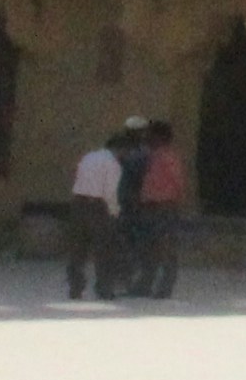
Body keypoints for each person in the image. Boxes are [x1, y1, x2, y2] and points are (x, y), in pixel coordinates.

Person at [63, 125, 129, 299]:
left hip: (78, 203)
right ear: (120, 150)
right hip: (98, 207)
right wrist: (115, 212)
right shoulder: (113, 164)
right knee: (104, 249)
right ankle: (104, 287)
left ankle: (75, 287)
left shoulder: (88, 157)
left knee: (78, 249)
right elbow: (110, 192)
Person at [125, 117, 188, 296]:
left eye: (150, 135)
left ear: (160, 137)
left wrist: (175, 203)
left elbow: (178, 182)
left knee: (165, 246)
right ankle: (144, 284)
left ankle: (165, 287)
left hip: (164, 207)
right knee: (147, 246)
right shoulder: (152, 156)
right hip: (150, 206)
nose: (147, 138)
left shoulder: (169, 157)